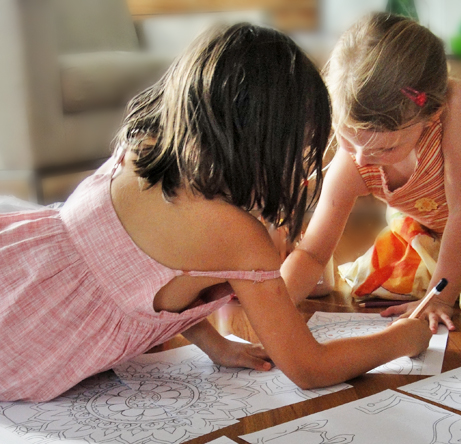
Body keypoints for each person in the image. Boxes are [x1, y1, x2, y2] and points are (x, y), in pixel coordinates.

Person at [0, 23, 431, 402]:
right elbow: (308, 367)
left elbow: (152, 284)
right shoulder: (239, 237)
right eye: (297, 151)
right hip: (23, 351)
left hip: (17, 268)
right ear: (264, 147)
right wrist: (398, 340)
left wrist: (215, 345)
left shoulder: (142, 148)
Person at [281, 12, 461, 336]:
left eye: (385, 149)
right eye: (347, 138)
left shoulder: (456, 105)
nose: (362, 158)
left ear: (430, 114)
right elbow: (312, 253)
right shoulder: (356, 157)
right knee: (374, 286)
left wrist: (441, 298)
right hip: (439, 227)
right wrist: (273, 307)